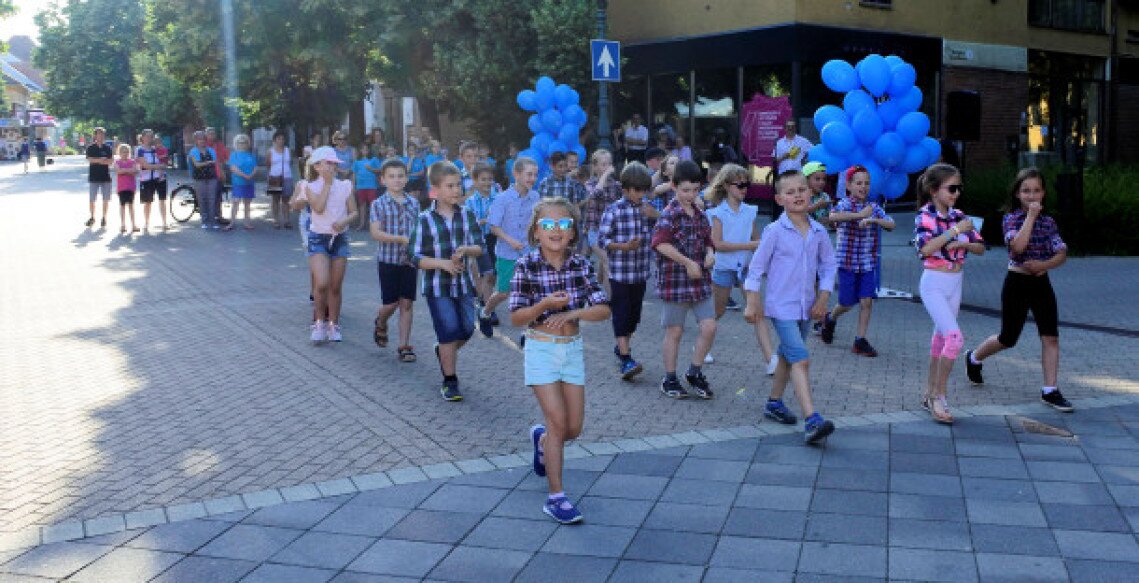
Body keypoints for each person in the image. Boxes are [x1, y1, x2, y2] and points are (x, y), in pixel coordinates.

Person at [511, 197, 610, 524]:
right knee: (557, 422)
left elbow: (603, 309)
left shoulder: (581, 264)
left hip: (572, 350)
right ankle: (556, 497)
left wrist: (573, 313)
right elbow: (516, 317)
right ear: (536, 232)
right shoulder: (526, 264)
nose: (556, 230)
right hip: (540, 348)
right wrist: (543, 306)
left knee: (572, 428)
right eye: (548, 224)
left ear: (572, 232)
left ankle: (542, 441)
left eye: (564, 224)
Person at [965, 168, 1072, 412]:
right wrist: (1030, 217)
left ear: (1043, 193)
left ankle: (1050, 390)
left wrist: (1044, 265)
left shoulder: (1049, 222)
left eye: (1036, 190)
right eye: (1026, 191)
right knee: (1008, 339)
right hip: (1017, 283)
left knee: (1051, 336)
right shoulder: (1011, 219)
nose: (1032, 195)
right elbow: (1018, 247)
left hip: (1041, 283)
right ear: (1017, 193)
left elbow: (1062, 253)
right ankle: (974, 357)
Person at [744, 170, 838, 444]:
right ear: (779, 199)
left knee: (787, 355)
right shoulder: (774, 231)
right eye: (790, 192)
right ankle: (812, 420)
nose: (797, 195)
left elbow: (829, 266)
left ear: (810, 194)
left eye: (801, 190)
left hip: (807, 307)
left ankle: (774, 403)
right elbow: (756, 269)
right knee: (801, 359)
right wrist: (752, 301)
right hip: (781, 308)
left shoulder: (819, 232)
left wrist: (823, 298)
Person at [913, 163, 985, 424]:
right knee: (955, 339)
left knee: (941, 338)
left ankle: (929, 393)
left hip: (956, 281)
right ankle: (938, 396)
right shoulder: (925, 216)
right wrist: (954, 233)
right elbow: (925, 249)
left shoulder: (960, 216)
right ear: (934, 190)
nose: (956, 193)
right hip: (934, 282)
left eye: (959, 188)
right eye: (951, 188)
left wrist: (961, 242)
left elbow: (980, 247)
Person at [408, 160, 486, 401]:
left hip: (464, 285)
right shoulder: (424, 219)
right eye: (450, 186)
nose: (456, 190)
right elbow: (413, 256)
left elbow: (480, 247)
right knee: (448, 330)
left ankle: (443, 348)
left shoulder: (467, 215)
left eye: (458, 185)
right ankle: (450, 381)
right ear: (435, 189)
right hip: (437, 287)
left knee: (467, 329)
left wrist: (466, 249)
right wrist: (442, 263)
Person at [651, 159, 718, 400]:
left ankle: (694, 371)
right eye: (685, 190)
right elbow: (660, 244)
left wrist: (710, 254)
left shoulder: (700, 214)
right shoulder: (669, 214)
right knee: (675, 331)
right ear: (674, 186)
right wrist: (687, 262)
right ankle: (669, 378)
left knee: (709, 326)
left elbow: (709, 241)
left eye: (695, 190)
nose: (691, 195)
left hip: (700, 281)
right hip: (675, 282)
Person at [706, 163, 778, 375]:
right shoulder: (717, 213)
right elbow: (718, 244)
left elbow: (757, 239)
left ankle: (770, 360)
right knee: (717, 311)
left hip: (746, 268)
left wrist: (763, 254)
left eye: (747, 185)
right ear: (726, 186)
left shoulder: (750, 211)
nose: (744, 189)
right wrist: (751, 245)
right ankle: (703, 346)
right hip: (724, 267)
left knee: (757, 311)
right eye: (740, 185)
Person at [819, 165, 895, 356]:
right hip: (847, 263)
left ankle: (859, 340)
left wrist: (874, 220)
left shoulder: (873, 207)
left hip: (867, 263)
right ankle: (830, 318)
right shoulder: (844, 204)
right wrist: (859, 216)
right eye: (858, 183)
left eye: (867, 183)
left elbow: (891, 224)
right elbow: (832, 217)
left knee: (866, 301)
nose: (863, 187)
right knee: (846, 303)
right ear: (849, 185)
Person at [290, 146, 359, 343]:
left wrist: (344, 222)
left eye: (334, 163)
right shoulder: (308, 186)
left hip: (340, 239)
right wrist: (327, 185)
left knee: (335, 286)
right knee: (321, 283)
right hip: (318, 238)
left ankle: (333, 324)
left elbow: (354, 212)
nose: (331, 167)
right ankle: (319, 322)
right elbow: (318, 208)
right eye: (327, 163)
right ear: (317, 166)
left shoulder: (345, 185)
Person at [598, 162, 657, 380]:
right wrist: (624, 246)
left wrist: (656, 215)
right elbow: (602, 240)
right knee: (621, 314)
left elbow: (663, 230)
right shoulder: (614, 210)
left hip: (640, 273)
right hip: (620, 274)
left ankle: (621, 347)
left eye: (645, 189)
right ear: (625, 189)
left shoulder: (647, 209)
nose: (642, 194)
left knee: (634, 317)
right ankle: (626, 358)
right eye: (638, 190)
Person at [479, 157, 540, 337]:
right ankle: (485, 312)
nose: (532, 178)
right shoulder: (502, 199)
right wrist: (510, 240)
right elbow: (493, 226)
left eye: (535, 175)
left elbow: (537, 222)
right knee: (503, 293)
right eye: (529, 174)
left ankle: (527, 333)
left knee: (530, 291)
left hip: (529, 252)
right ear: (516, 174)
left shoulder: (536, 197)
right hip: (507, 254)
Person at [370, 158, 421, 362]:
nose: (397, 180)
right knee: (390, 304)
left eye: (400, 176)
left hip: (409, 261)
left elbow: (418, 230)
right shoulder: (378, 204)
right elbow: (375, 233)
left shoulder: (414, 203)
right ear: (383, 180)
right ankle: (381, 321)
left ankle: (404, 346)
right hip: (388, 260)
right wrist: (399, 239)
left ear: (406, 179)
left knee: (406, 303)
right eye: (391, 176)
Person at [583, 149, 623, 289]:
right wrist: (605, 175)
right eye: (604, 164)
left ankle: (598, 287)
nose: (608, 167)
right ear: (595, 167)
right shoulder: (590, 183)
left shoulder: (616, 185)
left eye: (609, 164)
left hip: (611, 232)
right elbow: (596, 194)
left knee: (604, 264)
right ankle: (610, 299)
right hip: (594, 231)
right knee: (607, 261)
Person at [463, 163, 500, 310]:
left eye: (490, 179)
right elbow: (469, 224)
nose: (487, 183)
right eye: (483, 179)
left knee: (494, 275)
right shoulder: (470, 202)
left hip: (496, 239)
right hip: (479, 241)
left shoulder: (498, 198)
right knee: (487, 273)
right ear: (475, 180)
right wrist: (483, 221)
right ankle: (488, 309)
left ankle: (482, 298)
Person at [135, 129, 168, 232]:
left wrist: (162, 166)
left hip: (160, 178)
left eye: (151, 136)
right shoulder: (139, 150)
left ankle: (164, 222)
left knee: (162, 200)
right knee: (148, 202)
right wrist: (159, 166)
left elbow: (164, 160)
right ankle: (146, 223)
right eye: (148, 136)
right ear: (143, 137)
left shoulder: (156, 148)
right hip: (147, 179)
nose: (150, 138)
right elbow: (145, 165)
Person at [188, 131, 220, 229]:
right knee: (202, 199)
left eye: (203, 139)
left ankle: (213, 221)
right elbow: (197, 164)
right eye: (199, 139)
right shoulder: (193, 151)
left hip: (212, 177)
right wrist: (209, 162)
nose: (202, 141)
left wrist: (207, 163)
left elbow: (215, 162)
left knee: (212, 199)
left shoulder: (211, 150)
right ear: (196, 141)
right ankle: (204, 221)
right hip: (199, 178)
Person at [225, 134, 258, 231]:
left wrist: (251, 175)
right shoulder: (234, 155)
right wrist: (245, 176)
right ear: (236, 144)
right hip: (238, 182)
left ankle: (247, 223)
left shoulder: (251, 155)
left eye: (245, 142)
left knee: (247, 203)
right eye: (240, 142)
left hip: (249, 182)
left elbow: (255, 167)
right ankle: (231, 223)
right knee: (236, 202)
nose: (242, 144)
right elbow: (233, 168)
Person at [85, 128, 114, 228]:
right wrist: (101, 160)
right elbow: (89, 160)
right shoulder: (90, 147)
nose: (100, 136)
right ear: (95, 136)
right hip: (94, 177)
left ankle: (104, 217)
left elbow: (111, 161)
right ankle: (92, 217)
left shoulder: (108, 148)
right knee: (92, 199)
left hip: (106, 177)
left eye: (102, 134)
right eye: (98, 134)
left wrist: (97, 161)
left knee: (106, 199)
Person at [266, 131, 294, 229]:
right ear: (274, 140)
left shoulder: (288, 150)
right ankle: (276, 220)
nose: (281, 141)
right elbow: (268, 164)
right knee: (275, 199)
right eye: (278, 139)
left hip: (287, 177)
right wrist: (269, 176)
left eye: (282, 139)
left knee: (286, 199)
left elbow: (290, 162)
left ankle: (286, 220)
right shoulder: (270, 151)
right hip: (274, 177)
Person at [352, 142, 382, 230]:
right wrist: (353, 185)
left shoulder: (374, 159)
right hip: (360, 186)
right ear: (360, 151)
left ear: (369, 150)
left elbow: (380, 170)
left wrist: (371, 169)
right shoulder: (357, 161)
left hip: (371, 186)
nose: (364, 150)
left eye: (366, 149)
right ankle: (362, 224)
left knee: (373, 206)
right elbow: (354, 174)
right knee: (362, 205)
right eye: (363, 149)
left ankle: (373, 225)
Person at [113, 144, 140, 234]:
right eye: (123, 152)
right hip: (122, 187)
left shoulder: (133, 161)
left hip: (131, 187)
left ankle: (134, 225)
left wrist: (124, 170)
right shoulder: (117, 162)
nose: (125, 154)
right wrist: (129, 170)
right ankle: (123, 225)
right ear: (119, 153)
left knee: (131, 205)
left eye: (127, 152)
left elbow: (135, 171)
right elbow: (118, 171)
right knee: (122, 205)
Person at [803, 161, 832, 228]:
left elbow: (830, 216)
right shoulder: (801, 196)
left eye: (824, 179)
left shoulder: (825, 196)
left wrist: (830, 220)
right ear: (806, 180)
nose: (822, 182)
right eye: (817, 179)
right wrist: (817, 206)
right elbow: (798, 213)